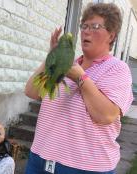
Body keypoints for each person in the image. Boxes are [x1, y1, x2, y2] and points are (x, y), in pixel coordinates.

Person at [25, 3, 133, 174]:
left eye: (95, 26)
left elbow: (105, 115)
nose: (86, 31)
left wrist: (80, 77)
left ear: (111, 35)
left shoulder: (117, 69)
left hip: (85, 168)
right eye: (84, 26)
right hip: (40, 159)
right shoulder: (67, 64)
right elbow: (32, 91)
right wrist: (52, 56)